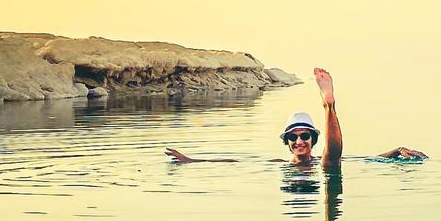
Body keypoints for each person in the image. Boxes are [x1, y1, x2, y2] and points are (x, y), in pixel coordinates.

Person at [165, 68, 426, 168]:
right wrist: (190, 160)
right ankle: (329, 108)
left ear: (312, 139)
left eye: (304, 136)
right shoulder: (279, 163)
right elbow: (231, 160)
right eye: (294, 136)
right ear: (287, 141)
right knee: (331, 161)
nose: (299, 141)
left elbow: (371, 159)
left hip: (325, 166)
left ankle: (329, 107)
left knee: (331, 161)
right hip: (324, 168)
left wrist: (397, 150)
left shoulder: (319, 159)